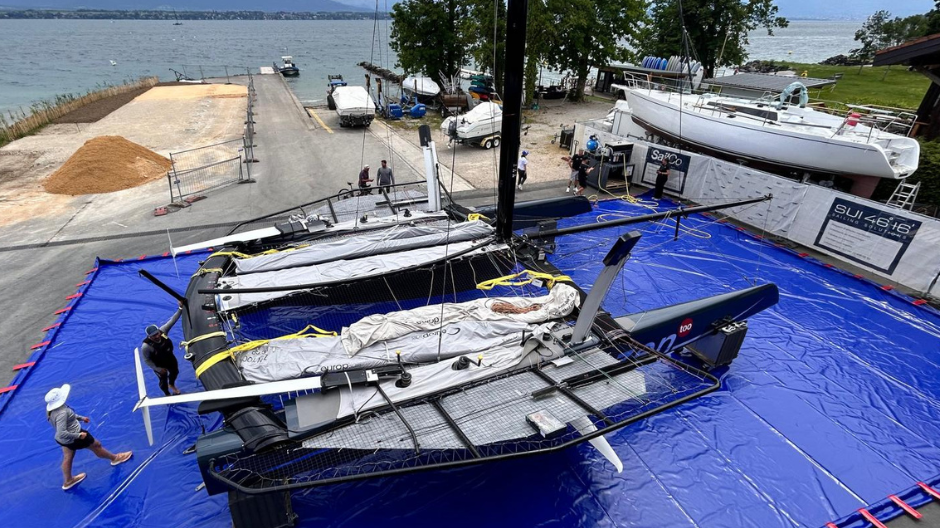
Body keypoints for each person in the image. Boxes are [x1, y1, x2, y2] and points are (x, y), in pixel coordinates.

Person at [46, 384, 132, 490]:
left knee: (68, 457)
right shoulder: (62, 413)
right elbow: (61, 432)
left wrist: (81, 418)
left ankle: (68, 481)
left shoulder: (53, 411)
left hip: (64, 440)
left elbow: (70, 417)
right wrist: (79, 435)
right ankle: (115, 458)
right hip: (74, 436)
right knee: (96, 445)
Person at [141, 302, 184, 396]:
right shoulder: (146, 346)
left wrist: (181, 308)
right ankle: (166, 393)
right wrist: (158, 369)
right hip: (159, 365)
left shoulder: (163, 331)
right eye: (153, 336)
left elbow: (173, 320)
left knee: (175, 372)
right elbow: (146, 360)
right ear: (149, 337)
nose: (156, 337)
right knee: (163, 380)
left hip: (170, 358)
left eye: (157, 334)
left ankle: (171, 385)